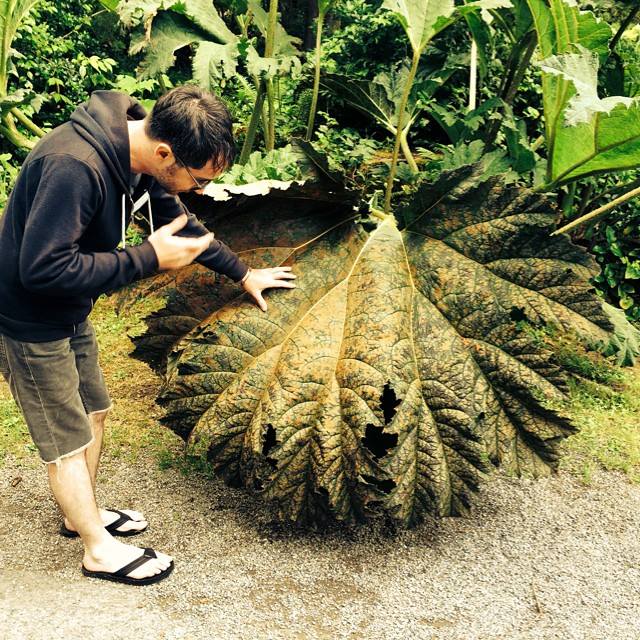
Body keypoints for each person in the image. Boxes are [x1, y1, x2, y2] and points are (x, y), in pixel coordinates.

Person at [0, 85, 296, 586]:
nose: (196, 190)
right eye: (195, 179)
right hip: (30, 319)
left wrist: (243, 274)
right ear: (165, 154)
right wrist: (148, 258)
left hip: (70, 311)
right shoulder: (75, 166)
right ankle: (98, 549)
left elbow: (180, 225)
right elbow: (41, 269)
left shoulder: (134, 152)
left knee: (95, 408)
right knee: (65, 440)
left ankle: (80, 515)